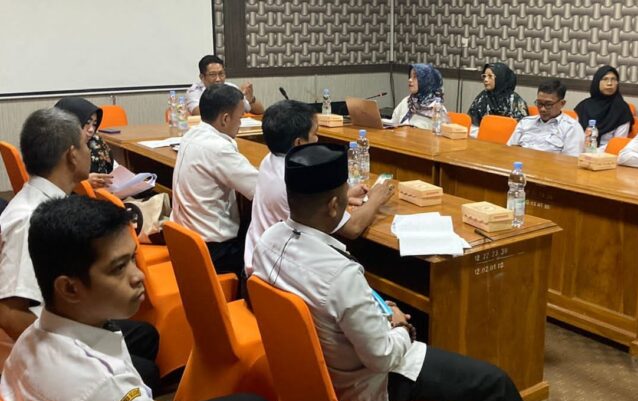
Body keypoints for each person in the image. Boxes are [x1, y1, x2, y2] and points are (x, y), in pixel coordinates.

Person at [0, 194, 355, 401]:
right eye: (119, 268)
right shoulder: (97, 386)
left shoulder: (32, 341)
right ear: (69, 288)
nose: (138, 275)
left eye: (133, 258)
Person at [252, 143, 561, 401]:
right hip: (360, 382)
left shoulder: (269, 240)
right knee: (492, 383)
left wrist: (376, 310)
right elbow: (382, 358)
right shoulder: (339, 275)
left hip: (310, 371)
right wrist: (398, 326)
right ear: (335, 206)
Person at [0, 108, 160, 390]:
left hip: (61, 319)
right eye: (86, 145)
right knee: (145, 370)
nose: (90, 151)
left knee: (145, 336)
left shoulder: (48, 201)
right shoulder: (29, 219)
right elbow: (10, 313)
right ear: (72, 155)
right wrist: (72, 359)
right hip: (48, 338)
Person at [243, 99, 393, 275]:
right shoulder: (299, 178)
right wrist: (376, 198)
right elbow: (352, 228)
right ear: (299, 143)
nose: (318, 139)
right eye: (315, 134)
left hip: (259, 261)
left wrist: (343, 196)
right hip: (279, 270)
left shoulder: (271, 160)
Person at [172, 84, 257, 275]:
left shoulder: (191, 134)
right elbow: (259, 189)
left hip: (187, 242)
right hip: (215, 253)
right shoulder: (218, 148)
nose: (240, 124)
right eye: (240, 118)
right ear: (225, 119)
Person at [507, 79, 585, 156]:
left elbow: (571, 160)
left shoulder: (571, 128)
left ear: (562, 103)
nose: (542, 109)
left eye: (548, 104)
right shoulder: (525, 122)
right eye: (539, 103)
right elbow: (509, 150)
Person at [55, 96, 115, 188]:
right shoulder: (53, 148)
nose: (91, 130)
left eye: (94, 124)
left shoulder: (97, 143)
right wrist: (83, 183)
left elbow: (113, 171)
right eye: (86, 123)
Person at [573, 66, 633, 150]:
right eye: (605, 79)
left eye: (613, 79)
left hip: (608, 153)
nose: (609, 83)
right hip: (581, 150)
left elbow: (618, 143)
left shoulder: (622, 109)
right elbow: (575, 135)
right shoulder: (584, 106)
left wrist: (596, 152)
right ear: (597, 82)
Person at [186, 54, 264, 116]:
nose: (218, 79)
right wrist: (234, 100)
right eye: (212, 74)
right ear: (202, 77)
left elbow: (260, 111)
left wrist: (251, 99)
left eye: (221, 74)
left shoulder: (231, 87)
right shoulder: (194, 91)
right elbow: (199, 113)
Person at [467, 62, 529, 138]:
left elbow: (523, 131)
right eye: (484, 76)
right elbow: (471, 125)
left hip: (509, 142)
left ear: (500, 78)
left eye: (490, 76)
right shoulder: (483, 97)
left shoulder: (515, 100)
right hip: (484, 140)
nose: (485, 80)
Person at [391, 63, 449, 129]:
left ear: (426, 81)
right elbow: (392, 123)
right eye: (410, 76)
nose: (410, 80)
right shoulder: (406, 101)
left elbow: (441, 133)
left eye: (415, 77)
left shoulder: (437, 108)